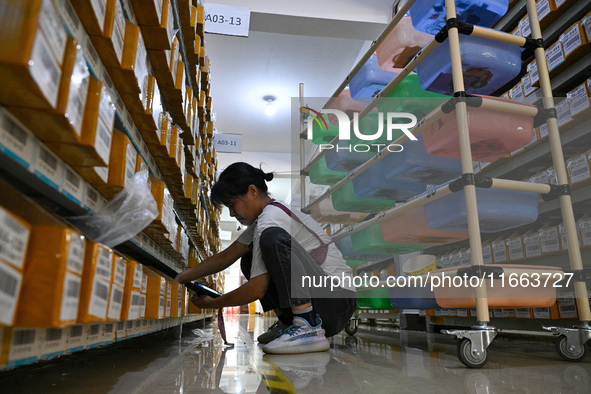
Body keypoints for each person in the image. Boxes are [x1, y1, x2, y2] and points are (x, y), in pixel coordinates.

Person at [175, 162, 356, 355]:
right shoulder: (264, 219)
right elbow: (227, 256)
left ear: (252, 191)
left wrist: (216, 303)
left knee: (272, 238)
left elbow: (257, 288)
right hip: (325, 302)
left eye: (232, 205)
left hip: (337, 302)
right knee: (247, 258)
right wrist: (183, 276)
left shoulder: (271, 219)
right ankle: (288, 323)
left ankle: (308, 326)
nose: (232, 213)